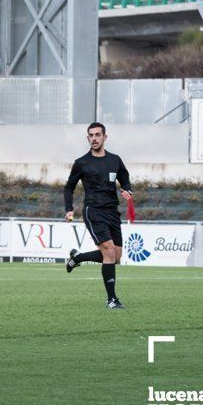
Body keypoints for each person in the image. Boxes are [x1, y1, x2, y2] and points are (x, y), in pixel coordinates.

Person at [64, 122, 133, 310]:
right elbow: (69, 187)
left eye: (97, 135)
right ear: (88, 138)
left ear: (105, 137)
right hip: (93, 211)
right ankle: (111, 299)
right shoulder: (82, 162)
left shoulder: (115, 160)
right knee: (109, 253)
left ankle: (77, 258)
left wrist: (127, 190)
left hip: (112, 211)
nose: (94, 138)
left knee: (116, 257)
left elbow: (125, 179)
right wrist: (69, 208)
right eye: (91, 135)